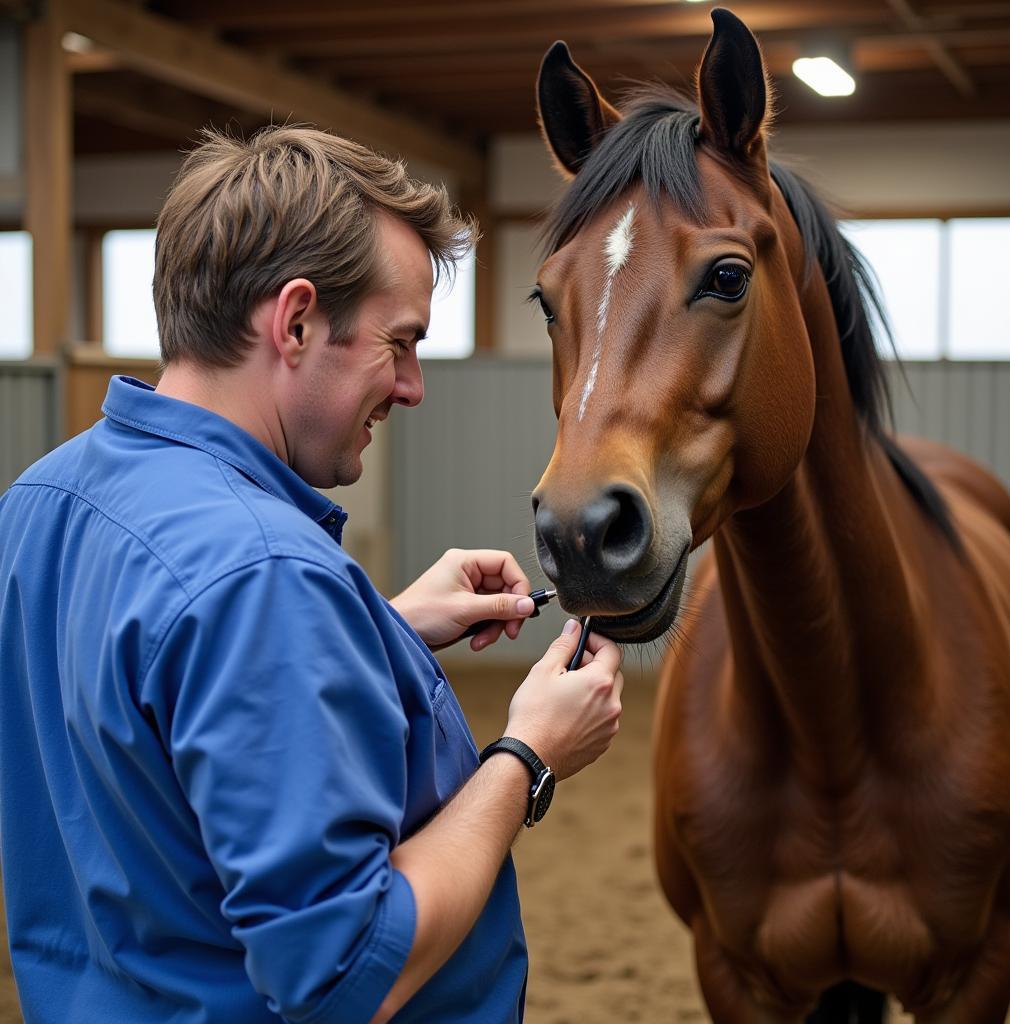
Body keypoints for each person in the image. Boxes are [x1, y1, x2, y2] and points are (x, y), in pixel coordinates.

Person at [0, 126, 624, 1024]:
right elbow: (344, 973)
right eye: (399, 343)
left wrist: (379, 626)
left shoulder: (42, 499)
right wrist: (527, 755)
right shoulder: (262, 577)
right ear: (294, 321)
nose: (411, 386)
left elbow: (158, 723)